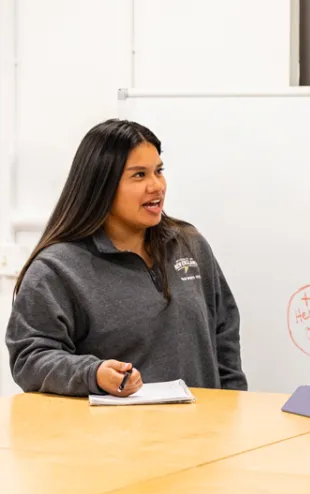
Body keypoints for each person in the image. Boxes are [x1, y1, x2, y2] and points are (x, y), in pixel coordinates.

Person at [6, 119, 248, 397]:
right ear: (102, 186)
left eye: (159, 171)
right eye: (139, 175)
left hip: (206, 434)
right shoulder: (56, 269)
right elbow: (30, 358)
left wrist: (233, 404)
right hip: (118, 437)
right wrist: (92, 374)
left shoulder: (189, 244)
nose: (156, 185)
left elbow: (224, 334)